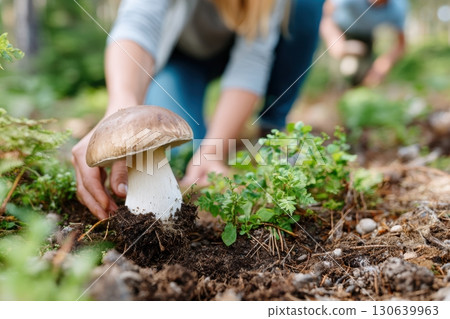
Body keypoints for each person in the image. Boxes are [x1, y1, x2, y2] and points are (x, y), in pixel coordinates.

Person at [72, 0, 325, 219]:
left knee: (304, 5)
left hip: (239, 47)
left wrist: (214, 150)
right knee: (174, 145)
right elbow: (138, 22)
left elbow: (251, 62)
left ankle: (272, 126)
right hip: (179, 54)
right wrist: (121, 108)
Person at [320, 0, 408, 86]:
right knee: (339, 79)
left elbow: (401, 45)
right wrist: (334, 41)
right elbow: (325, 14)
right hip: (340, 32)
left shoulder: (399, 7)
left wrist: (384, 64)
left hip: (366, 37)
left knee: (365, 79)